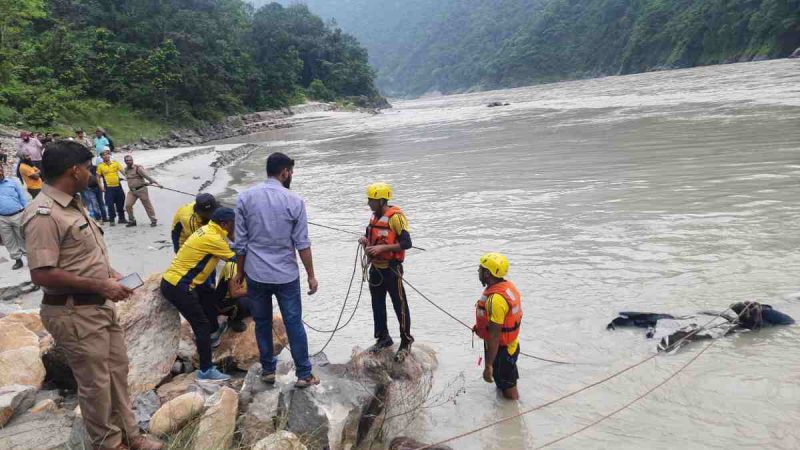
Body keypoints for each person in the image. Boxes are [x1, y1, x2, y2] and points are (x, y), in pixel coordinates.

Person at [22, 140, 163, 450]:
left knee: (116, 373)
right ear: (74, 170)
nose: (91, 174)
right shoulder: (44, 214)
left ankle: (130, 435)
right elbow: (41, 273)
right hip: (73, 312)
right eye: (88, 169)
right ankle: (108, 443)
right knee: (95, 384)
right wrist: (100, 286)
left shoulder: (74, 202)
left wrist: (110, 274)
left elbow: (81, 256)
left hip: (98, 307)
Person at [234, 152, 319, 388]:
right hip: (286, 276)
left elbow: (240, 243)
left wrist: (240, 272)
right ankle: (304, 373)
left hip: (256, 273)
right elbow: (302, 243)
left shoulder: (245, 198)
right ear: (285, 172)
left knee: (261, 322)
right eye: (290, 172)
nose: (290, 176)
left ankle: (268, 370)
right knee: (293, 322)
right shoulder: (294, 201)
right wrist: (311, 275)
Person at [161, 207, 238, 381]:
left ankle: (213, 333)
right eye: (234, 224)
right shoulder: (214, 238)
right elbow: (235, 257)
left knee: (208, 295)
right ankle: (206, 370)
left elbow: (229, 245)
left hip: (175, 281)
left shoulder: (207, 230)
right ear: (225, 224)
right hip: (179, 286)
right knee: (200, 325)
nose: (236, 227)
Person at [358, 182, 414, 361]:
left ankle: (406, 342)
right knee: (377, 303)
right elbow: (371, 235)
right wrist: (365, 240)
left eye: (372, 200)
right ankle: (383, 338)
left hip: (392, 269)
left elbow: (406, 243)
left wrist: (382, 249)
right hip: (376, 268)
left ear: (382, 200)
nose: (369, 203)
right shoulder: (374, 218)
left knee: (400, 305)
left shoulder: (395, 218)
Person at [473, 253, 522, 400]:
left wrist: (488, 366)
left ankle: (513, 416)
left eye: (480, 269)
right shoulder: (505, 287)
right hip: (509, 346)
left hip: (503, 351)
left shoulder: (496, 300)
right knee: (503, 383)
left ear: (488, 273)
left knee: (509, 391)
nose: (478, 272)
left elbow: (494, 336)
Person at [0, 165, 28, 270]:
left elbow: (22, 198)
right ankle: (18, 260)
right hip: (2, 218)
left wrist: (26, 211)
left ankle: (30, 258)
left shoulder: (12, 183)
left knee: (22, 237)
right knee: (9, 241)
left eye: (0, 169)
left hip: (18, 214)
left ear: (2, 170)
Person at [123, 155, 160, 227]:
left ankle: (153, 220)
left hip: (141, 190)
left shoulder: (138, 168)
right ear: (125, 162)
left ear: (132, 160)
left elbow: (147, 176)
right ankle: (132, 220)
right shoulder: (126, 169)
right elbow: (129, 178)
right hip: (132, 191)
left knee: (147, 205)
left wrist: (156, 183)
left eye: (130, 160)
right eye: (127, 160)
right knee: (128, 205)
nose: (128, 162)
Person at [215, 260, 250, 332]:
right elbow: (234, 294)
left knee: (259, 302)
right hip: (224, 302)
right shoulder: (232, 265)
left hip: (240, 297)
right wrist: (256, 292)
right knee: (244, 302)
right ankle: (234, 320)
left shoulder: (252, 266)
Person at [96, 149, 127, 226]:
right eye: (104, 155)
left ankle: (122, 218)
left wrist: (128, 177)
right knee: (110, 204)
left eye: (107, 154)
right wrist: (100, 187)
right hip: (108, 187)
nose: (106, 156)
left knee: (120, 201)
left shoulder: (115, 163)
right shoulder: (100, 166)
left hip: (118, 186)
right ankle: (112, 219)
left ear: (109, 155)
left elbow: (123, 172)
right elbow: (97, 177)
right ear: (101, 157)